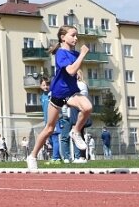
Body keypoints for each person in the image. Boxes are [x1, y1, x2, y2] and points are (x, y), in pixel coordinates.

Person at [26, 25, 92, 170]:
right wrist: (82, 55)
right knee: (49, 129)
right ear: (63, 37)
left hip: (71, 93)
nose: (76, 38)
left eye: (77, 35)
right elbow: (70, 70)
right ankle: (32, 156)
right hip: (58, 94)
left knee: (87, 107)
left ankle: (75, 131)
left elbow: (75, 70)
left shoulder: (73, 53)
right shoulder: (61, 53)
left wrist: (79, 67)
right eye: (73, 35)